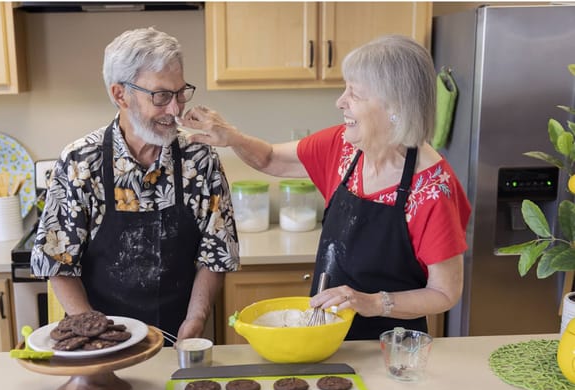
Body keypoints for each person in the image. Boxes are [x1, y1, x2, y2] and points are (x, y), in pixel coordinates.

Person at [180, 35, 471, 340]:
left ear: (394, 106)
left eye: (354, 94)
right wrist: (232, 136)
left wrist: (372, 302)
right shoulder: (343, 147)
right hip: (325, 337)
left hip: (390, 347)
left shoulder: (433, 190)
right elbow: (270, 159)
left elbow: (444, 292)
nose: (340, 101)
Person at [30, 27, 239, 342]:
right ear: (120, 94)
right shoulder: (80, 162)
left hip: (180, 336)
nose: (175, 108)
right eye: (161, 96)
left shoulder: (199, 160)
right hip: (100, 340)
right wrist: (95, 336)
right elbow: (57, 263)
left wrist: (196, 319)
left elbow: (217, 254)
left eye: (180, 92)